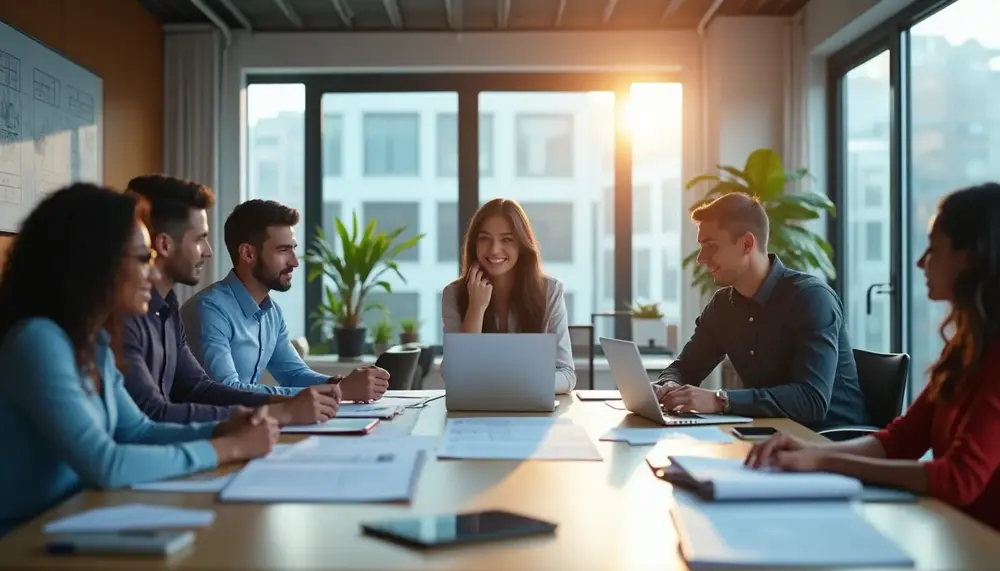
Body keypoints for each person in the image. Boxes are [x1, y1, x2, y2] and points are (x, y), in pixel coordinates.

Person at [0, 184, 278, 536]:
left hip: (74, 519)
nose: (152, 271)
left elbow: (136, 430)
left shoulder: (95, 342)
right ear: (96, 261)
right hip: (21, 539)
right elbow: (106, 463)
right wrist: (230, 446)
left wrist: (220, 428)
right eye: (142, 258)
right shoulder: (37, 341)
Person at [745, 182, 1000, 533]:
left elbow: (960, 478)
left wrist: (826, 461)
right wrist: (809, 450)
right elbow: (901, 440)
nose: (921, 261)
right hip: (957, 533)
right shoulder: (964, 347)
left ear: (968, 258)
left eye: (934, 248)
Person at [123, 175, 340, 424]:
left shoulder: (167, 307)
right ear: (164, 245)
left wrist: (318, 393)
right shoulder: (127, 319)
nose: (209, 251)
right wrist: (282, 411)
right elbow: (152, 416)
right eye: (199, 239)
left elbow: (199, 389)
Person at [653, 192, 866, 430]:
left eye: (711, 246)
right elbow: (687, 366)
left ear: (746, 244)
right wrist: (668, 385)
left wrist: (720, 400)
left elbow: (811, 400)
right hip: (768, 435)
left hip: (829, 442)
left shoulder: (811, 298)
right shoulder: (723, 306)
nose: (702, 259)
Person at [182, 199, 388, 401]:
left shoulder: (272, 313)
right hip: (212, 431)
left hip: (248, 426)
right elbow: (227, 391)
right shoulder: (209, 310)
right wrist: (339, 391)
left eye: (293, 248)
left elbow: (294, 375)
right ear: (248, 253)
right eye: (283, 250)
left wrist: (340, 383)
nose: (295, 262)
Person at [441, 198, 575, 393]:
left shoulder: (550, 291)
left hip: (532, 408)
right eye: (485, 238)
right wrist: (476, 309)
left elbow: (566, 373)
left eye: (507, 239)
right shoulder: (453, 294)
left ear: (521, 244)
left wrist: (521, 386)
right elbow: (455, 375)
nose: (494, 249)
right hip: (473, 413)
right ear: (474, 244)